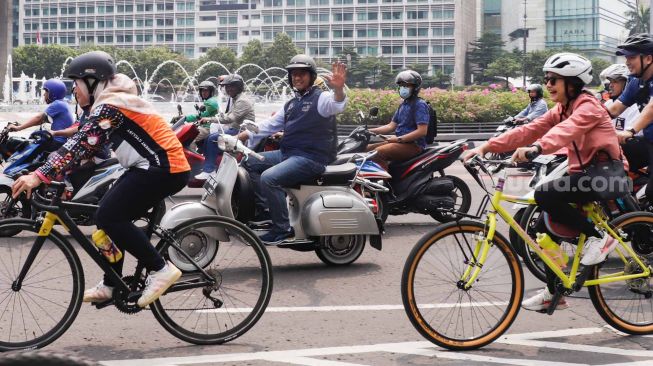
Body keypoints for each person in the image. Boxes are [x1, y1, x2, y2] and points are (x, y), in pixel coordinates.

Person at [11, 51, 191, 308]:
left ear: (92, 82)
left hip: (163, 168)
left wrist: (40, 175)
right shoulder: (110, 103)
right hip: (150, 167)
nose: (74, 91)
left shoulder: (113, 105)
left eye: (77, 85)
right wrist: (54, 171)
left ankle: (160, 268)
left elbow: (81, 143)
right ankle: (111, 282)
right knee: (103, 217)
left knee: (110, 215)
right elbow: (87, 145)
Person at [463, 52, 621, 312]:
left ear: (572, 83)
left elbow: (565, 131)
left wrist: (537, 148)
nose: (547, 85)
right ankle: (553, 293)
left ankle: (598, 237)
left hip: (606, 176)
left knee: (545, 194)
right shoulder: (561, 109)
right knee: (543, 233)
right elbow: (529, 129)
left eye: (553, 80)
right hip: (582, 177)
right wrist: (486, 147)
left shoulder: (589, 107)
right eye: (546, 79)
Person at [239, 54, 347, 245]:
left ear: (311, 77)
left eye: (302, 74)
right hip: (288, 154)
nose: (297, 78)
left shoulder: (321, 98)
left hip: (311, 158)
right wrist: (239, 137)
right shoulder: (291, 103)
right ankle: (267, 212)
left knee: (269, 178)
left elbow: (336, 104)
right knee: (249, 161)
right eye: (294, 74)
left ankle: (282, 228)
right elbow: (268, 125)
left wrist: (339, 90)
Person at [608, 34, 653, 195]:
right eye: (626, 57)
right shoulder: (635, 81)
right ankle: (625, 211)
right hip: (648, 141)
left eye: (632, 57)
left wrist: (630, 131)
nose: (627, 62)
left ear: (648, 58)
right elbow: (614, 110)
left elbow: (651, 109)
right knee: (606, 161)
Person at [194, 74, 255, 180]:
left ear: (238, 87)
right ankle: (209, 166)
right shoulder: (237, 99)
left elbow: (229, 119)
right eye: (227, 87)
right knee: (209, 137)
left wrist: (209, 119)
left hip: (241, 132)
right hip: (234, 129)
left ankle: (209, 170)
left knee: (213, 139)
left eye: (231, 86)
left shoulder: (242, 101)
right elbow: (226, 117)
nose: (228, 89)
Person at [365, 70, 429, 170]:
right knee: (366, 149)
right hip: (400, 143)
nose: (403, 88)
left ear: (415, 87)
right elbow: (391, 126)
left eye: (407, 86)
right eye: (401, 85)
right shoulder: (403, 105)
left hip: (413, 145)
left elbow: (422, 131)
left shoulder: (419, 104)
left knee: (377, 152)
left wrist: (398, 139)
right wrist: (369, 131)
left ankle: (382, 183)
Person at [9, 78, 74, 152]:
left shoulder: (57, 104)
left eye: (46, 91)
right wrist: (22, 125)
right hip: (59, 141)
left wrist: (19, 128)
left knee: (23, 149)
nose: (44, 94)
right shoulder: (62, 103)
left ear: (53, 93)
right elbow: (40, 121)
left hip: (57, 142)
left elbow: (39, 118)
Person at [601, 63, 645, 171]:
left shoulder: (636, 107)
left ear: (627, 83)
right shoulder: (608, 104)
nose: (610, 85)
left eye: (615, 82)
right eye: (610, 82)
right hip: (610, 151)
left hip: (628, 155)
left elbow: (629, 137)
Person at [187, 80, 220, 151]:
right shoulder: (209, 101)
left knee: (190, 139)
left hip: (208, 128)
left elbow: (200, 116)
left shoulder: (211, 102)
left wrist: (185, 118)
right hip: (204, 126)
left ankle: (191, 160)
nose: (203, 93)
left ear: (211, 92)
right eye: (202, 91)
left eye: (206, 91)